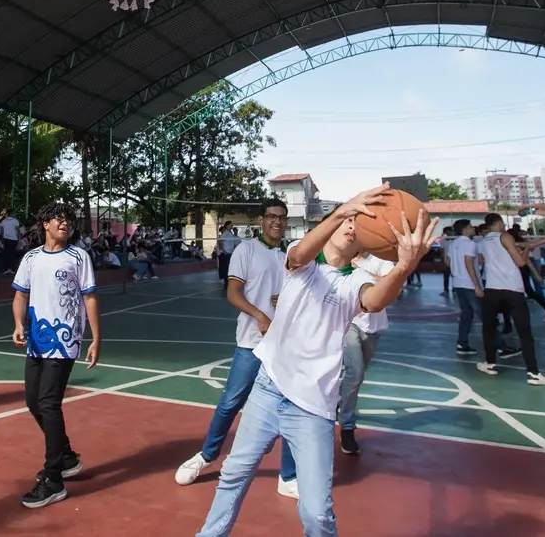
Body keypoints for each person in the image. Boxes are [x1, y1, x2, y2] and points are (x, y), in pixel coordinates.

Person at [193, 183, 436, 537]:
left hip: (313, 406)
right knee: (233, 474)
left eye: (358, 225)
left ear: (365, 241)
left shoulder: (357, 282)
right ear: (333, 223)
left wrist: (404, 266)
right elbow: (301, 254)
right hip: (268, 387)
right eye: (347, 219)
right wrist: (345, 209)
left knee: (316, 513)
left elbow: (375, 302)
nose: (351, 225)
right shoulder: (300, 260)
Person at [175, 199, 297, 497]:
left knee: (293, 408)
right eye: (271, 217)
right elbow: (233, 293)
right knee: (231, 402)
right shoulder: (246, 250)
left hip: (284, 345)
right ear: (261, 221)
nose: (277, 222)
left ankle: (289, 476)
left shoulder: (292, 255)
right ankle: (206, 455)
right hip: (252, 343)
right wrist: (260, 315)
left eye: (282, 217)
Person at [11, 202, 100, 509]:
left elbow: (89, 298)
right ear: (45, 224)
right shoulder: (32, 258)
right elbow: (20, 294)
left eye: (68, 220)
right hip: (37, 338)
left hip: (64, 339)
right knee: (32, 401)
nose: (65, 223)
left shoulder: (78, 256)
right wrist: (19, 323)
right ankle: (66, 456)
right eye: (59, 219)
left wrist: (96, 337)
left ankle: (54, 479)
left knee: (49, 403)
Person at [474, 213, 545, 385]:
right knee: (524, 332)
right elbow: (520, 262)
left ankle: (490, 363)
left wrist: (542, 241)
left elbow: (483, 259)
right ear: (500, 223)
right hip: (512, 289)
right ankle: (533, 373)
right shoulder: (505, 236)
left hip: (492, 289)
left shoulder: (483, 241)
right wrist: (524, 251)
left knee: (488, 328)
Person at [336, 250, 394, 455]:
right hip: (349, 322)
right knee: (355, 373)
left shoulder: (380, 261)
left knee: (355, 377)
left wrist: (361, 268)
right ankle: (347, 426)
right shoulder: (341, 257)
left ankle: (339, 401)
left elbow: (391, 286)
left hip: (374, 326)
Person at [448, 220, 482, 356]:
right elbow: (469, 263)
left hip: (458, 283)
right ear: (465, 230)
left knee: (466, 314)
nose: (472, 228)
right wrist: (477, 285)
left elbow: (447, 261)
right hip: (469, 284)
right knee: (484, 314)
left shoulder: (453, 244)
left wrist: (456, 273)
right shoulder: (470, 244)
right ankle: (500, 346)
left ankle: (462, 343)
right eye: (470, 227)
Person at [0, 208, 23, 274]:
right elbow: (18, 231)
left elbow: (2, 231)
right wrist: (20, 239)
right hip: (13, 239)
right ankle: (11, 269)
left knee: (7, 254)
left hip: (5, 239)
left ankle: (6, 268)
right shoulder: (15, 221)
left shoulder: (3, 221)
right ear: (12, 213)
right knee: (12, 254)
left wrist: (2, 239)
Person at [439, 226, 455, 296]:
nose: (449, 233)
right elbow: (442, 251)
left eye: (450, 231)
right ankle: (446, 290)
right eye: (447, 232)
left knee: (454, 277)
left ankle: (455, 290)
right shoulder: (443, 240)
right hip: (446, 261)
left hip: (455, 262)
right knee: (446, 277)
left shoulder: (455, 240)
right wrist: (443, 261)